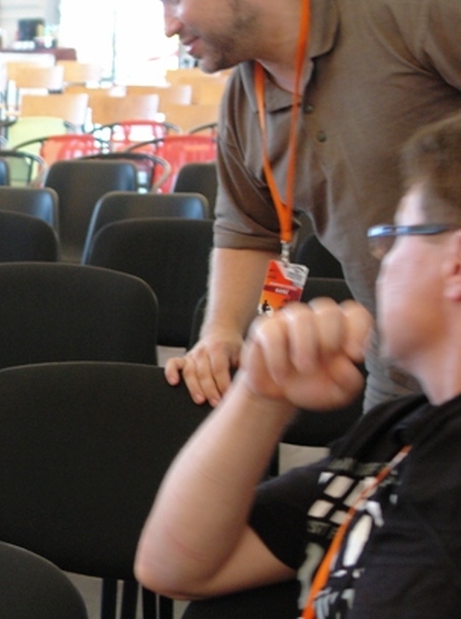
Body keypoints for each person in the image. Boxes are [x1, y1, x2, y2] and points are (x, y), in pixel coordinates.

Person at [135, 112, 461, 617]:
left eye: (398, 234)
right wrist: (261, 393)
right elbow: (174, 568)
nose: (382, 257)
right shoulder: (396, 436)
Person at [144, 0, 461, 411]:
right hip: (400, 381)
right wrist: (221, 332)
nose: (168, 26)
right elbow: (249, 231)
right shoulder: (243, 98)